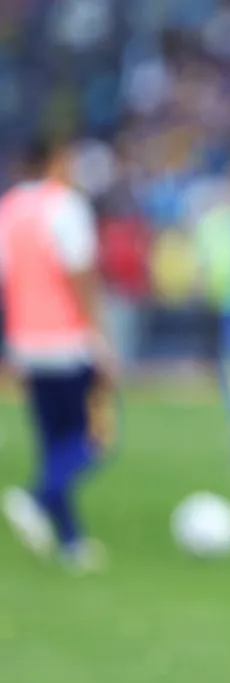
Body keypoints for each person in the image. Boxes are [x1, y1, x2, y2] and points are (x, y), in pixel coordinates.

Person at [0, 137, 117, 574]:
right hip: (68, 341)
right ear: (53, 160)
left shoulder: (9, 209)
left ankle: (71, 543)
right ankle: (36, 497)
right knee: (96, 439)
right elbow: (80, 274)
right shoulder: (65, 206)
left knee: (54, 443)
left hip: (25, 341)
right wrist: (100, 336)